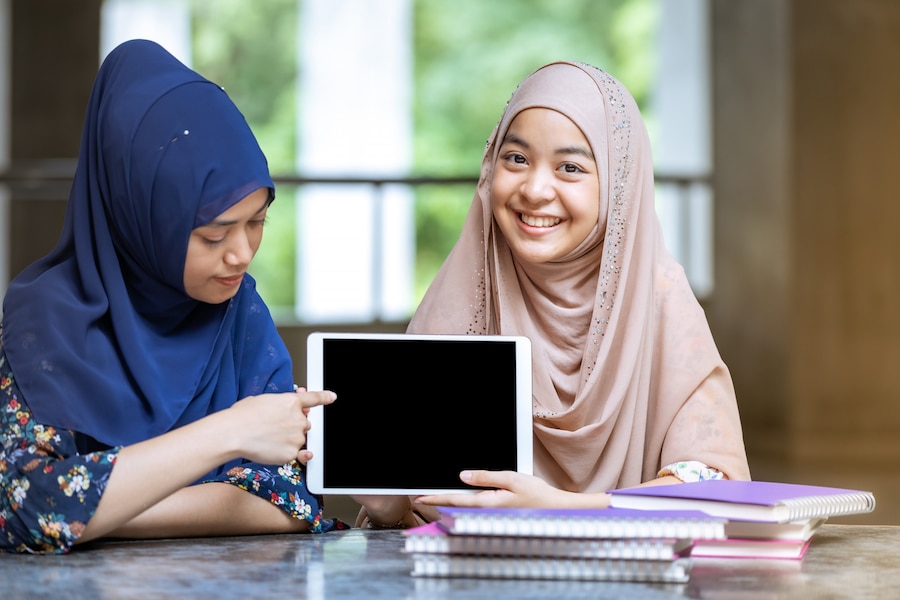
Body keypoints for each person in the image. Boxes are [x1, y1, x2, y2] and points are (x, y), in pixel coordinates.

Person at [354, 61, 751, 527]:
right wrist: (389, 504)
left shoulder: (659, 298)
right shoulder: (464, 294)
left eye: (570, 167)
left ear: (618, 187)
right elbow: (413, 506)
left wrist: (559, 508)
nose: (536, 189)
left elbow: (714, 487)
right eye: (517, 158)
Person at [0, 39, 345, 554]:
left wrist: (96, 515)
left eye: (258, 222)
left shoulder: (238, 312)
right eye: (213, 234)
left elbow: (292, 501)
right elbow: (25, 504)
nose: (242, 254)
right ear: (139, 214)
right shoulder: (43, 325)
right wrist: (226, 434)